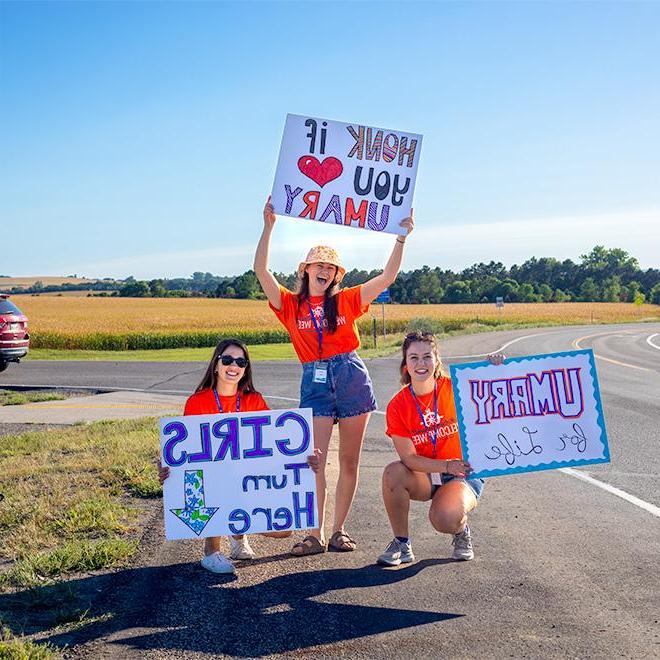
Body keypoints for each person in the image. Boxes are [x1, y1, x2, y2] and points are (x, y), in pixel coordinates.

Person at [254, 196, 414, 556]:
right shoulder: (290, 306)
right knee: (315, 459)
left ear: (337, 275)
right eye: (318, 265)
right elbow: (261, 272)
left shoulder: (346, 302)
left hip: (351, 373)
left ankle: (339, 530)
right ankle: (315, 534)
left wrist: (401, 238)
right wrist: (268, 226)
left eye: (331, 267)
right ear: (306, 270)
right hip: (315, 380)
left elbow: (388, 276)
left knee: (350, 461)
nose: (324, 270)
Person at [158, 338, 290, 574]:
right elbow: (187, 451)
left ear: (246, 369)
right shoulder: (198, 402)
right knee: (212, 475)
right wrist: (169, 467)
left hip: (245, 478)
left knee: (284, 529)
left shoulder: (254, 400)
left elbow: (273, 446)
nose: (234, 365)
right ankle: (212, 551)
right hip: (213, 481)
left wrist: (303, 459)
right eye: (228, 359)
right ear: (216, 365)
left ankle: (238, 536)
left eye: (241, 361)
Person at [377, 331, 504, 566]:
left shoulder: (457, 388)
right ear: (405, 364)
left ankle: (461, 530)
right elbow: (409, 458)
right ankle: (401, 543)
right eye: (413, 357)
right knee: (393, 472)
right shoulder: (398, 405)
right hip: (426, 473)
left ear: (437, 360)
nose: (421, 363)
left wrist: (495, 369)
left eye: (427, 356)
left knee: (444, 518)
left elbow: (493, 392)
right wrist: (445, 465)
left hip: (462, 473)